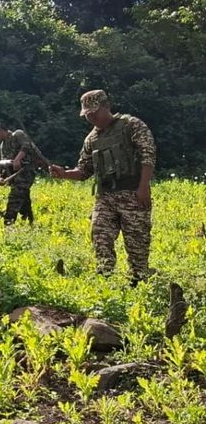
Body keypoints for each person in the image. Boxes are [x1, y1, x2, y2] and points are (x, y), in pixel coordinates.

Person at [49, 90, 155, 285]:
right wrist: (63, 173)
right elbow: (83, 171)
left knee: (137, 244)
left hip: (133, 193)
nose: (91, 118)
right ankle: (106, 280)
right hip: (105, 197)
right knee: (100, 237)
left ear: (106, 106)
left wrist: (143, 187)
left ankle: (138, 281)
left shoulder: (131, 125)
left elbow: (148, 155)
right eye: (87, 115)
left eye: (94, 112)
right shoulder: (92, 139)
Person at [0, 122, 47, 225]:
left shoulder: (17, 134)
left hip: (25, 173)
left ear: (0, 130)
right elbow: (4, 165)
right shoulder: (3, 145)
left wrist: (17, 160)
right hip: (15, 176)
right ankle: (29, 221)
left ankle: (8, 223)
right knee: (24, 199)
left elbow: (26, 146)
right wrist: (1, 178)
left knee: (14, 198)